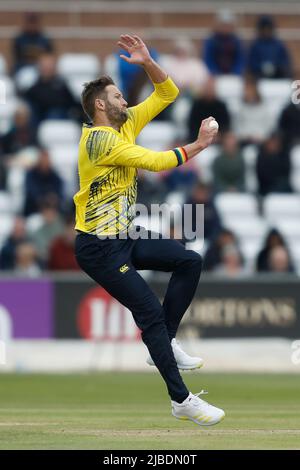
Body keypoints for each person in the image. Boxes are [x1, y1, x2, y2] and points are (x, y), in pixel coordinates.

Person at [74, 34, 225, 427]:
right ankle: (182, 400)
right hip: (98, 247)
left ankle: (167, 342)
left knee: (189, 261)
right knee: (149, 315)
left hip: (124, 232)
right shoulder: (100, 141)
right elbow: (158, 162)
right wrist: (201, 144)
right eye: (120, 97)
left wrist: (147, 62)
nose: (127, 101)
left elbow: (168, 91)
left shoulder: (124, 124)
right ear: (102, 106)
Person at [188, 77, 231, 142]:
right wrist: (203, 136)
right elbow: (192, 126)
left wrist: (218, 135)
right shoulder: (196, 105)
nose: (209, 90)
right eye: (207, 88)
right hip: (199, 140)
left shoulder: (221, 106)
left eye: (211, 88)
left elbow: (226, 125)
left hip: (219, 141)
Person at [202, 10, 245, 76]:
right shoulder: (211, 41)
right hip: (215, 75)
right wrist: (214, 72)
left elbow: (240, 60)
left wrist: (235, 72)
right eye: (223, 25)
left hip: (233, 75)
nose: (225, 28)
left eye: (227, 25)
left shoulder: (236, 41)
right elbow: (208, 59)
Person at [23, 147, 64, 216]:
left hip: (52, 210)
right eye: (42, 158)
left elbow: (59, 192)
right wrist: (44, 198)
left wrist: (53, 198)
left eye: (46, 159)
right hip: (33, 210)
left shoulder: (54, 176)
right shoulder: (31, 175)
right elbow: (32, 192)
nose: (45, 161)